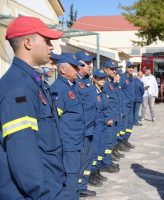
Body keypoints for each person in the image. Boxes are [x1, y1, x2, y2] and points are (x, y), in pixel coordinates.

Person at [0, 16, 65, 199]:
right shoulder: (18, 87)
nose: (51, 46)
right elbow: (22, 150)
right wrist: (43, 193)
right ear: (28, 42)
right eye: (47, 41)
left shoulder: (30, 82)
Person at [50, 54, 89, 199]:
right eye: (73, 67)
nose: (77, 70)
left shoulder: (70, 86)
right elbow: (54, 120)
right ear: (63, 70)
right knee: (70, 180)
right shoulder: (58, 88)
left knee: (75, 178)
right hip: (68, 144)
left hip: (76, 141)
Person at [73, 51, 98, 197]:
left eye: (90, 63)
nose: (89, 65)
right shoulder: (75, 82)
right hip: (81, 130)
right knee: (80, 162)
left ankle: (82, 186)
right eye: (86, 63)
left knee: (88, 160)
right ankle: (76, 187)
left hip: (91, 129)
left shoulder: (88, 81)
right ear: (78, 64)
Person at [89, 69, 111, 186]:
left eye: (104, 78)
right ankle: (92, 175)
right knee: (95, 150)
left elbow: (105, 108)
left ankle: (97, 172)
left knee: (101, 148)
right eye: (100, 78)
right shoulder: (92, 92)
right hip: (96, 125)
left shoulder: (103, 91)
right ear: (94, 79)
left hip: (103, 124)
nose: (102, 80)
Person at [100, 61, 122, 173]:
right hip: (109, 118)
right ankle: (105, 163)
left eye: (115, 69)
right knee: (107, 142)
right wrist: (107, 117)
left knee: (112, 140)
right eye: (112, 69)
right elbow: (104, 103)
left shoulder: (111, 83)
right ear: (106, 69)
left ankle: (108, 161)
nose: (114, 71)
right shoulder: (105, 84)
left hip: (114, 116)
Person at [119, 61, 136, 149]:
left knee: (129, 124)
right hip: (124, 105)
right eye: (129, 67)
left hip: (130, 105)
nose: (131, 69)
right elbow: (119, 91)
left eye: (132, 67)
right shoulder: (122, 78)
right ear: (126, 68)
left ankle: (126, 140)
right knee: (123, 124)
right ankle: (120, 142)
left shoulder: (132, 78)